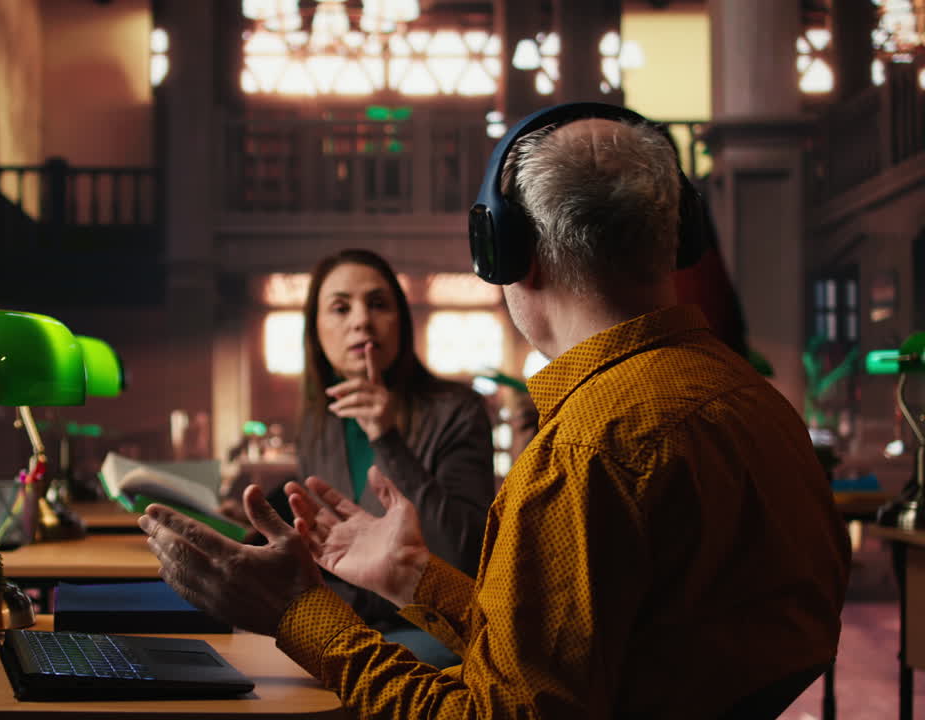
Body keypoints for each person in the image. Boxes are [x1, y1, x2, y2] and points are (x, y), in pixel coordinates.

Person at [139, 105, 851, 718]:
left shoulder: (584, 450)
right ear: (676, 237)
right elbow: (578, 651)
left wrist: (300, 614)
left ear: (507, 251)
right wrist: (417, 579)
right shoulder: (758, 404)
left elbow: (496, 712)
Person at [227, 248, 496, 667]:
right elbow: (331, 527)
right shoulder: (322, 417)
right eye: (340, 307)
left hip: (429, 625)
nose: (361, 320)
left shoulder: (457, 409)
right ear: (316, 333)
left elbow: (461, 552)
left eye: (377, 304)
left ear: (401, 324)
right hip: (354, 617)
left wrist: (387, 438)